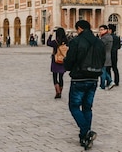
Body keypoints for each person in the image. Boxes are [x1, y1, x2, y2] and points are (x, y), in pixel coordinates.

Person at [63, 20, 105, 150]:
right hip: (94, 78)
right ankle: (84, 137)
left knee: (74, 106)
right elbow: (103, 59)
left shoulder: (76, 41)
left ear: (79, 28)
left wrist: (67, 65)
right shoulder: (99, 42)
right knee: (87, 107)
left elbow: (70, 60)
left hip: (79, 78)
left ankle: (86, 131)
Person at [47, 28, 68, 99]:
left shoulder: (56, 42)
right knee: (61, 77)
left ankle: (57, 92)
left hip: (55, 60)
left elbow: (48, 42)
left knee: (55, 76)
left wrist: (50, 34)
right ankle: (60, 92)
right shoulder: (67, 41)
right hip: (63, 60)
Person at [98, 25, 114, 90]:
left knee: (102, 71)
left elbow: (100, 46)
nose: (100, 31)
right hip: (108, 55)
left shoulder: (104, 38)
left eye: (101, 29)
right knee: (104, 70)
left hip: (103, 55)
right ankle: (110, 81)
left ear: (105, 30)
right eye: (100, 30)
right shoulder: (109, 36)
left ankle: (103, 85)